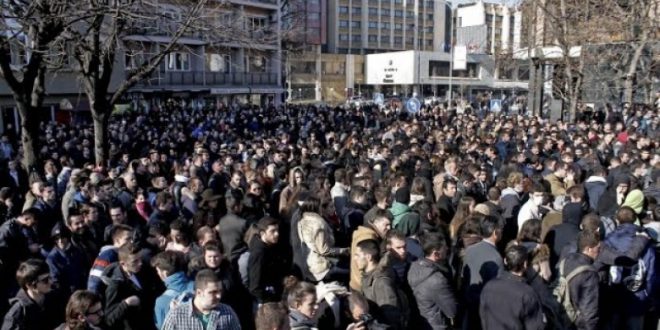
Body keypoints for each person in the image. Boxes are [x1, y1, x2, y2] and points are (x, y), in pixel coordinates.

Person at [602, 206, 656, 330]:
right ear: (634, 219)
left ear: (617, 220)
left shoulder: (608, 240)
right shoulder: (645, 240)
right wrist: (650, 296)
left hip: (614, 295)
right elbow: (651, 273)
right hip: (639, 296)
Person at [479, 245, 545, 330]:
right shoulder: (527, 293)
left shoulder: (488, 287)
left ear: (505, 260)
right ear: (525, 264)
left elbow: (484, 318)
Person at [407, 232, 457, 330]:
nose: (447, 249)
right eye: (444, 247)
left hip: (423, 321)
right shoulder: (437, 280)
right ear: (436, 254)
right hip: (438, 325)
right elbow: (452, 310)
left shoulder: (414, 267)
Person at [161, 269, 241, 330]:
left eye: (220, 291)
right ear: (199, 292)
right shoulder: (176, 315)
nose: (219, 296)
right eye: (213, 292)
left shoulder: (227, 312)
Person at [462, 216, 504, 330]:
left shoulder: (470, 249)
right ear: (495, 233)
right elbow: (498, 290)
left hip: (469, 300)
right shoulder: (496, 257)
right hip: (486, 308)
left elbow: (465, 276)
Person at [354, 239, 406, 329]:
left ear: (368, 257)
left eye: (357, 255)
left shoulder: (381, 283)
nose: (354, 258)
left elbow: (391, 320)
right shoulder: (368, 277)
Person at [102, 243, 154, 330]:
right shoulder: (115, 285)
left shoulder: (140, 271)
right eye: (135, 261)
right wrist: (126, 303)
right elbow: (109, 319)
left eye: (140, 259)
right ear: (123, 264)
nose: (140, 263)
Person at [561, 231, 601, 330]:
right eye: (598, 248)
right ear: (588, 249)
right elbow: (589, 311)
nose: (600, 251)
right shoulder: (589, 273)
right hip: (578, 323)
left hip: (561, 318)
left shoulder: (565, 261)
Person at [1, 259, 56, 330]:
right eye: (45, 280)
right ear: (30, 285)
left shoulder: (53, 297)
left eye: (50, 277)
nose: (50, 282)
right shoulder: (18, 314)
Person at [248, 216, 288, 304]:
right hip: (266, 301)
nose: (277, 234)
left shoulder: (271, 246)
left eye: (277, 230)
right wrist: (270, 299)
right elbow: (255, 287)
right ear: (262, 233)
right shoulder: (259, 253)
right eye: (272, 231)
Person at [350, 209, 392, 292]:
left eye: (390, 225)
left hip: (356, 284)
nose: (389, 228)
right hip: (363, 288)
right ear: (375, 222)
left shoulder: (363, 232)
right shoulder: (369, 238)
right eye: (386, 224)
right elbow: (366, 265)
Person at [151, 250, 194, 329]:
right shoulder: (197, 287)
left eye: (158, 271)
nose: (158, 274)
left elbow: (162, 327)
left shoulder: (161, 301)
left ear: (164, 273)